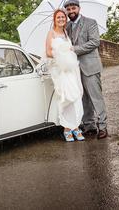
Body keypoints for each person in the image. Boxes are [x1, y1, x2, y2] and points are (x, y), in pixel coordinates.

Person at [64, 0, 108, 139]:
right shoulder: (67, 27)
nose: (71, 11)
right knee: (83, 99)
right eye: (68, 9)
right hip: (75, 69)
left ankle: (103, 127)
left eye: (73, 8)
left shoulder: (90, 22)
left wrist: (74, 49)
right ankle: (89, 126)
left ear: (79, 8)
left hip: (90, 66)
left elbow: (94, 42)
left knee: (96, 98)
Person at [45, 9, 85, 142]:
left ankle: (75, 127)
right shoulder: (51, 33)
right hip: (60, 71)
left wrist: (68, 53)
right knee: (66, 97)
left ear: (65, 19)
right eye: (58, 18)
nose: (61, 19)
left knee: (76, 96)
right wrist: (61, 53)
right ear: (54, 19)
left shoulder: (66, 32)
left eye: (63, 17)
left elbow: (70, 49)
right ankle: (67, 129)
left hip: (71, 70)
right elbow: (48, 53)